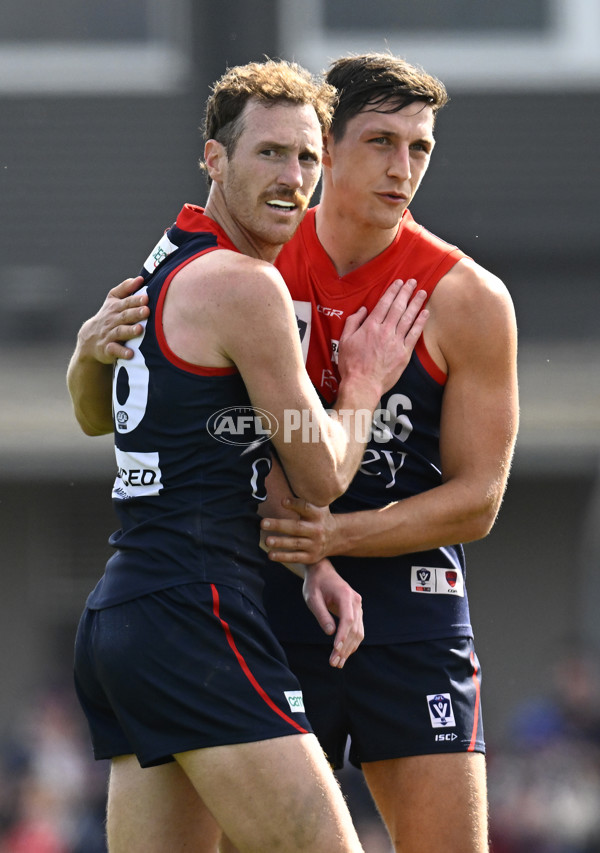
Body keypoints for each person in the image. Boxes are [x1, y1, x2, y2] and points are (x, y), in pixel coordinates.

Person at [69, 52, 519, 853]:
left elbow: (480, 497)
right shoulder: (258, 272)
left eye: (420, 148)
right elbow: (311, 464)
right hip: (226, 607)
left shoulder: (463, 294)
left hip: (385, 606)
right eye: (379, 142)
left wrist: (326, 551)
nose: (402, 167)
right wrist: (365, 386)